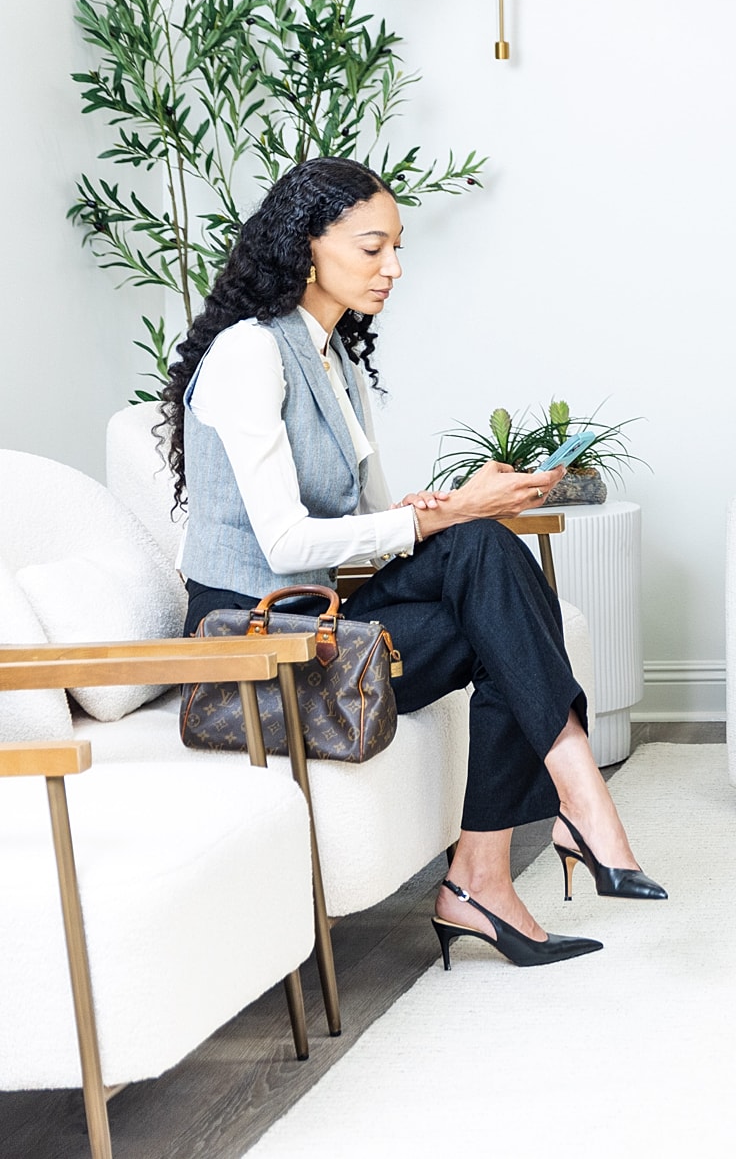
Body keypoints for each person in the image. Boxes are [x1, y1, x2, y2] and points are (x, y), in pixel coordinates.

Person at [165, 157, 662, 973]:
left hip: (319, 625)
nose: (392, 268)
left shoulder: (336, 362)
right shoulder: (248, 354)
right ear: (307, 244)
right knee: (480, 565)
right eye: (372, 248)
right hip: (251, 652)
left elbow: (372, 528)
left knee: (483, 559)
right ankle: (557, 815)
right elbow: (289, 545)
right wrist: (445, 516)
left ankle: (490, 872)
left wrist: (463, 507)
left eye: (396, 248)